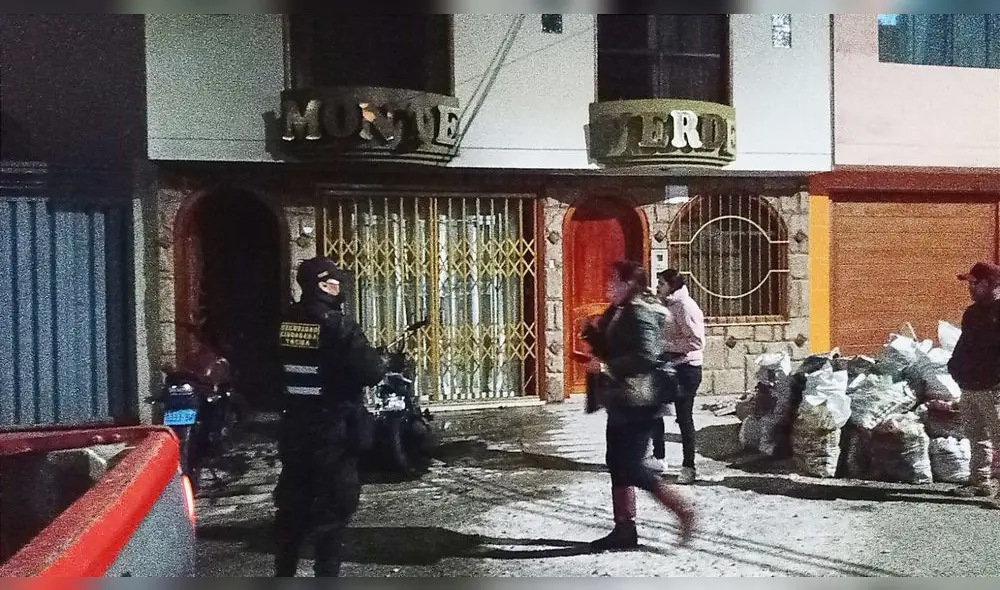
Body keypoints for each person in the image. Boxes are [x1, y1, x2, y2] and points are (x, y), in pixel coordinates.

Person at [273, 257, 386, 577]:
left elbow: (270, 374)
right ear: (323, 285)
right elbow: (372, 372)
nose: (341, 286)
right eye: (337, 281)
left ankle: (284, 573)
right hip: (333, 432)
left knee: (292, 508)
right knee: (334, 511)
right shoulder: (338, 324)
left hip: (295, 428)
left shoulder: (284, 321)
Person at [582, 260, 696, 551]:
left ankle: (682, 509)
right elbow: (615, 345)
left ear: (627, 283)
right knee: (616, 463)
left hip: (640, 400)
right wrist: (591, 333)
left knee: (631, 465)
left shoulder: (641, 311)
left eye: (613, 279)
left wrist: (607, 366)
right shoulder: (619, 309)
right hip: (621, 399)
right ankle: (624, 529)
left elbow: (646, 355)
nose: (608, 284)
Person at [948, 261, 1000, 500]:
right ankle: (979, 482)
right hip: (970, 386)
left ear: (992, 284)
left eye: (975, 283)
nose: (970, 287)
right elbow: (965, 346)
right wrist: (955, 369)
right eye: (969, 283)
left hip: (994, 389)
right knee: (976, 436)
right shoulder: (972, 313)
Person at [656, 269, 706, 485]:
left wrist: (666, 346)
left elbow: (696, 342)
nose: (657, 286)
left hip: (687, 369)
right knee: (653, 408)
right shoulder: (668, 304)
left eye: (661, 283)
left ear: (671, 285)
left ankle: (689, 467)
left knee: (683, 417)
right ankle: (658, 458)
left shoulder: (685, 306)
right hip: (671, 366)